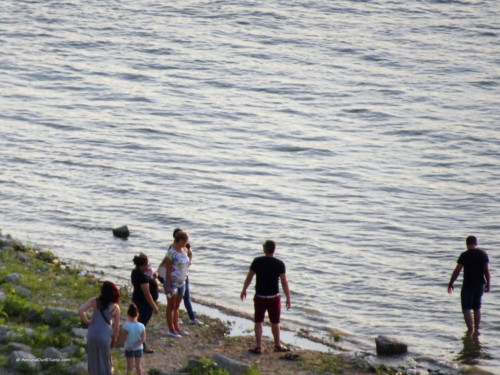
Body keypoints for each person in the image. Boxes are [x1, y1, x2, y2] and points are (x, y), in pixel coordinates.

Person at [240, 240, 291, 354]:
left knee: (258, 322)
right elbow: (284, 282)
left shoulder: (257, 261)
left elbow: (249, 277)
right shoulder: (279, 264)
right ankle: (277, 345)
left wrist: (244, 290)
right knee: (275, 322)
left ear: (265, 249)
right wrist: (288, 297)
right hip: (274, 297)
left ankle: (259, 347)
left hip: (260, 296)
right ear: (274, 249)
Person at [448, 235, 491, 334]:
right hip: (480, 284)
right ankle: (476, 329)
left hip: (468, 285)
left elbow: (457, 271)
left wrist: (451, 283)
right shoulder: (483, 254)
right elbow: (487, 271)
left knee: (466, 308)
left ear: (467, 244)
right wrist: (488, 284)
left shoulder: (464, 255)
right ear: (476, 243)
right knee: (477, 307)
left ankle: (470, 329)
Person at [78, 281, 121, 375]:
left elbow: (81, 310)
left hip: (92, 333)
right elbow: (116, 326)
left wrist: (87, 321)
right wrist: (114, 338)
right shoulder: (115, 307)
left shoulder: (95, 301)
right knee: (106, 360)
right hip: (105, 335)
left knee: (93, 359)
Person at [162, 230, 190, 338]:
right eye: (185, 241)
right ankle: (171, 329)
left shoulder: (184, 251)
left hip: (181, 282)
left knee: (177, 306)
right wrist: (168, 286)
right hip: (172, 282)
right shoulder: (171, 253)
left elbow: (186, 264)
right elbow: (168, 270)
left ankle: (177, 328)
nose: (186, 243)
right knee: (171, 306)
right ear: (180, 240)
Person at [172, 228, 203, 325]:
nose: (184, 242)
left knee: (186, 297)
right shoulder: (172, 249)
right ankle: (174, 319)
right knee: (175, 300)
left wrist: (190, 261)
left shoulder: (185, 246)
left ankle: (192, 318)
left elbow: (190, 252)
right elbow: (168, 264)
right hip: (175, 277)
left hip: (184, 276)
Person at [131, 253, 159, 352]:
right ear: (141, 266)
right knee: (141, 325)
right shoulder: (141, 277)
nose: (148, 266)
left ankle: (137, 343)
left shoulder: (137, 272)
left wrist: (154, 276)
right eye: (147, 264)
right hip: (144, 304)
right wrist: (154, 306)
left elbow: (153, 274)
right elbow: (147, 294)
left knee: (139, 324)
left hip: (138, 300)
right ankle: (141, 346)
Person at [120, 303, 146, 375]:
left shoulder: (127, 325)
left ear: (128, 315)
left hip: (129, 348)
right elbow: (143, 339)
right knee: (138, 366)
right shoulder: (142, 326)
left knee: (130, 367)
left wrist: (116, 342)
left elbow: (123, 338)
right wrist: (135, 346)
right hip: (139, 348)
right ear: (137, 315)